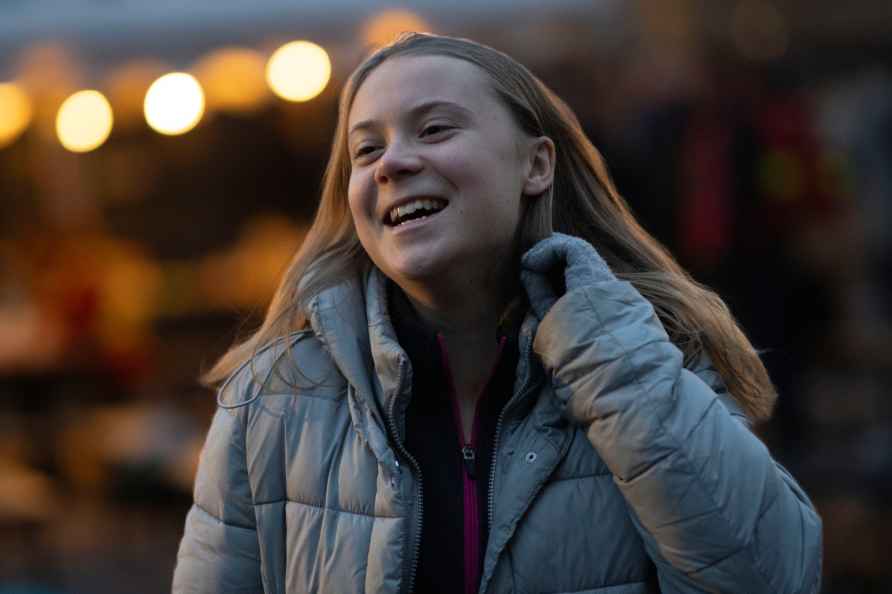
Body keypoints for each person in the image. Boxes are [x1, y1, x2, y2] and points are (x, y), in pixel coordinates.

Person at [172, 32, 822, 594]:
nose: (392, 162)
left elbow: (773, 578)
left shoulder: (651, 359)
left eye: (434, 129)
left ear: (535, 165)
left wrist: (613, 363)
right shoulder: (271, 398)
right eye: (366, 150)